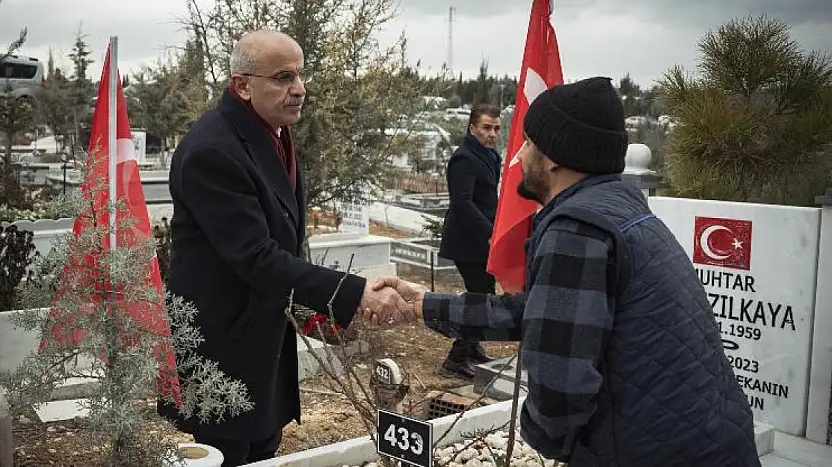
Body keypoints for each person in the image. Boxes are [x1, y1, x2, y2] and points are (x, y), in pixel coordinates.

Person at [372, 77, 761, 466]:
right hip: (712, 442)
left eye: (527, 142)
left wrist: (553, 440)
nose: (519, 156)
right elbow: (538, 311)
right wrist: (424, 304)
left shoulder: (577, 230)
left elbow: (561, 389)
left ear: (553, 156)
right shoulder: (618, 210)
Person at [158, 30, 410, 467]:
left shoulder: (269, 130)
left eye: (300, 75)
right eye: (283, 77)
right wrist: (354, 293)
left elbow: (286, 239)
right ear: (241, 85)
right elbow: (256, 256)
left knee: (262, 448)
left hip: (260, 332)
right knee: (228, 453)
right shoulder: (212, 151)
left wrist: (318, 309)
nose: (299, 89)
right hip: (222, 343)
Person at [437, 104, 502, 379]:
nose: (492, 134)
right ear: (472, 128)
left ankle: (471, 347)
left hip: (481, 238)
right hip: (468, 240)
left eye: (496, 128)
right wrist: (490, 232)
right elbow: (462, 204)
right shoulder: (464, 158)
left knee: (481, 295)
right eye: (486, 127)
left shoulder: (491, 156)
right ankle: (456, 358)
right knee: (481, 299)